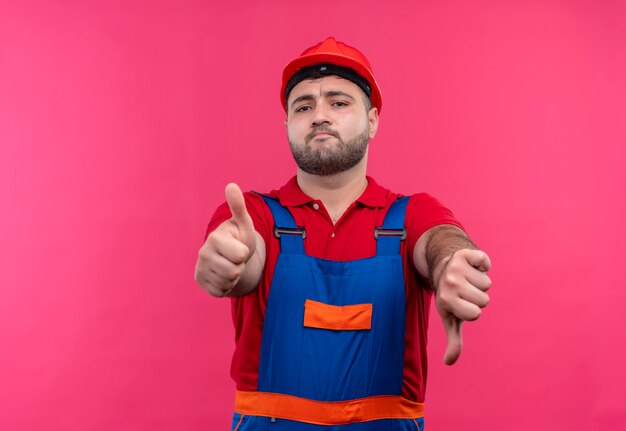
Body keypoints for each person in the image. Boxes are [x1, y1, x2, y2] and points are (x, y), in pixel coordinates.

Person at [195, 37, 492, 431]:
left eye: (338, 102)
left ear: (372, 121)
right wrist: (228, 261)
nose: (319, 115)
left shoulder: (411, 215)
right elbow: (245, 261)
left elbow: (439, 239)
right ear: (287, 125)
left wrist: (451, 263)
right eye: (304, 106)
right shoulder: (252, 215)